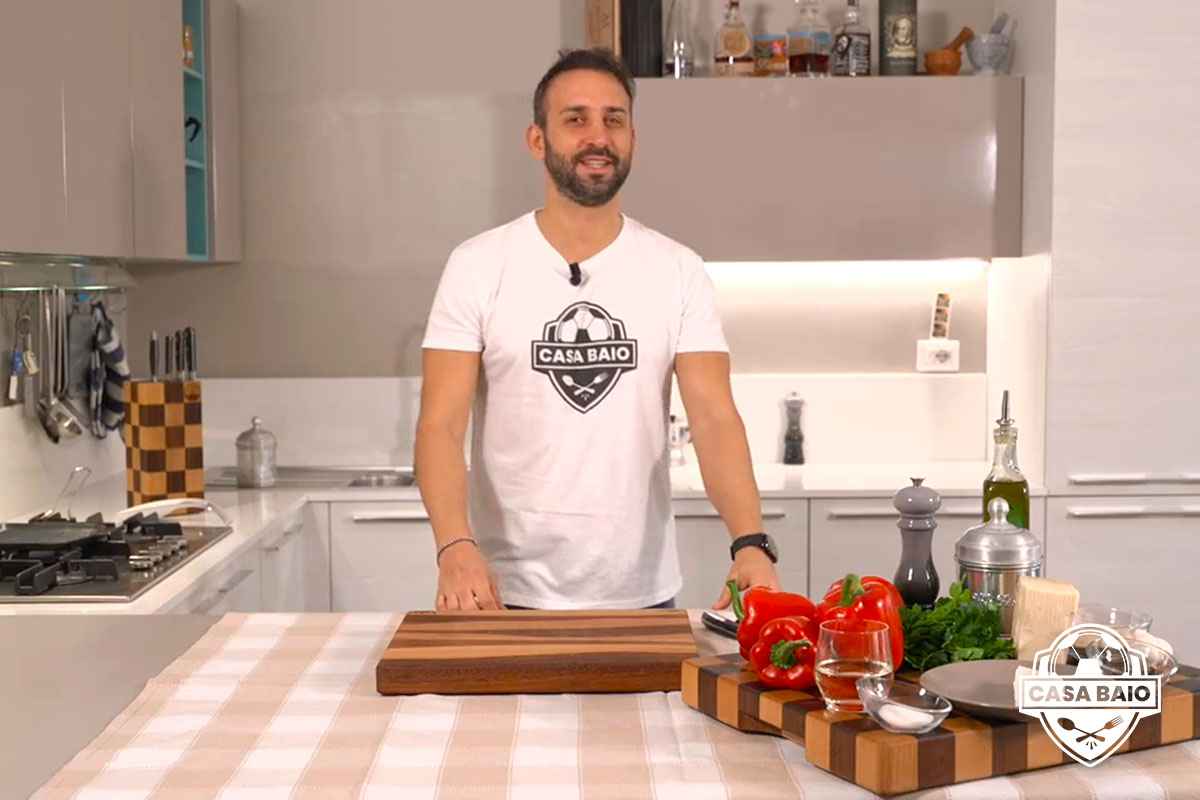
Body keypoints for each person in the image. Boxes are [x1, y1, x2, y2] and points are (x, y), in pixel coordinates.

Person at [415, 48, 780, 612]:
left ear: (632, 137)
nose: (598, 136)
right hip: (500, 591)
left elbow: (714, 417)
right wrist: (453, 545)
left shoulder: (678, 268)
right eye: (575, 118)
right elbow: (440, 425)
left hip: (642, 593)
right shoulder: (478, 264)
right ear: (537, 140)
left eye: (614, 119)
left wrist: (751, 541)